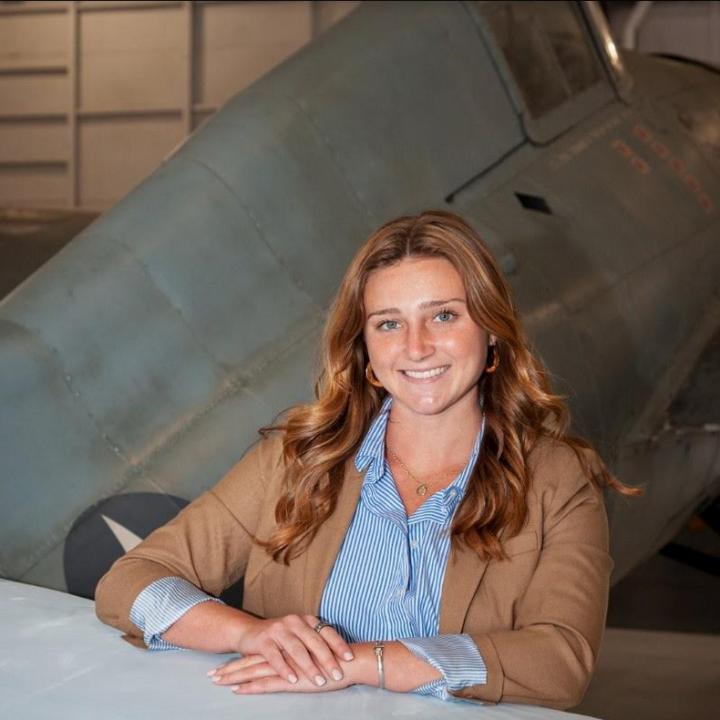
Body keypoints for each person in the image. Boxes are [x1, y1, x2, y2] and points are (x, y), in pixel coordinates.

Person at [95, 210, 639, 709]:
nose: (417, 347)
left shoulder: (557, 480)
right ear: (368, 355)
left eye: (444, 315)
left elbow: (562, 660)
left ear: (492, 335)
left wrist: (363, 663)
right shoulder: (297, 459)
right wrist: (248, 634)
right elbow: (130, 581)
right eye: (388, 323)